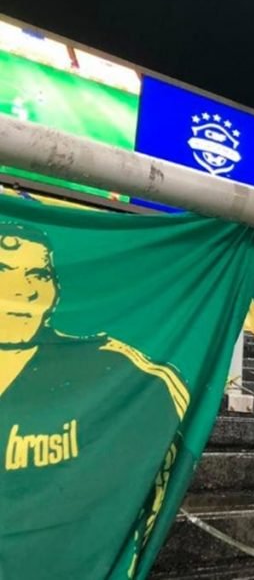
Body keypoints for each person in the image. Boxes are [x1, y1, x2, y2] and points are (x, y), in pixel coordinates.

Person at [0, 222, 188, 579]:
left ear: (55, 291)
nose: (23, 291)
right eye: (3, 270)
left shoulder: (117, 370)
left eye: (38, 274)